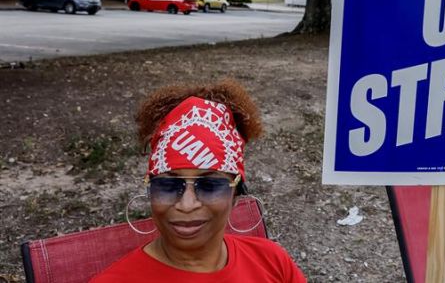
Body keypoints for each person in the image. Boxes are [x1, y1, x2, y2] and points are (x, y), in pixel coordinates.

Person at [91, 79, 306, 282]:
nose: (187, 204)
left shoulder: (272, 261)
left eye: (210, 185)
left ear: (235, 196)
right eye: (168, 185)